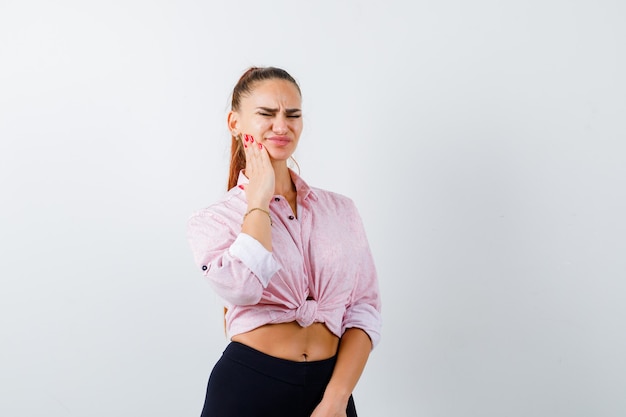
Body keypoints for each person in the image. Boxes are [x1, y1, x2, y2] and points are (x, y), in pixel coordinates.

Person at [187, 66, 382, 417]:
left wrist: (337, 398)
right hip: (248, 388)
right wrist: (258, 202)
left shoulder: (341, 210)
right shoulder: (214, 220)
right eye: (267, 113)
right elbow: (244, 288)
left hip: (331, 391)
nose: (282, 125)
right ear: (235, 124)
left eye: (293, 115)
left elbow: (364, 311)